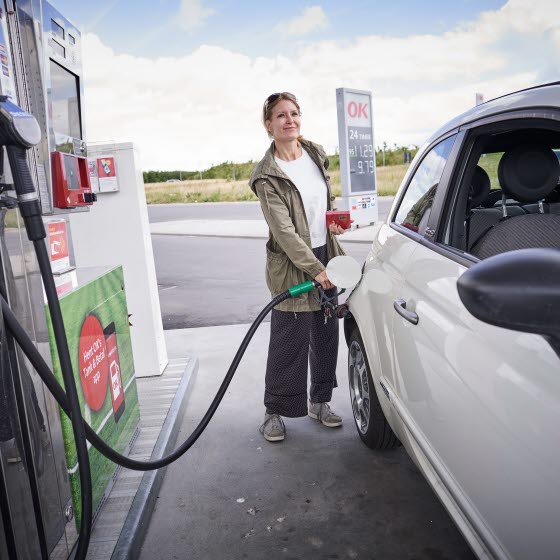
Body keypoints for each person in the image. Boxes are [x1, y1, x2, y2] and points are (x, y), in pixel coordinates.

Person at [249, 92, 348, 443]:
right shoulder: (267, 176)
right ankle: (273, 412)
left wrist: (333, 225)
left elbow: (322, 205)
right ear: (268, 125)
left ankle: (319, 401)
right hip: (293, 263)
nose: (289, 120)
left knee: (325, 334)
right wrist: (316, 270)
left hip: (326, 251)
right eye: (280, 116)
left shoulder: (315, 154)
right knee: (289, 339)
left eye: (294, 113)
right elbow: (285, 233)